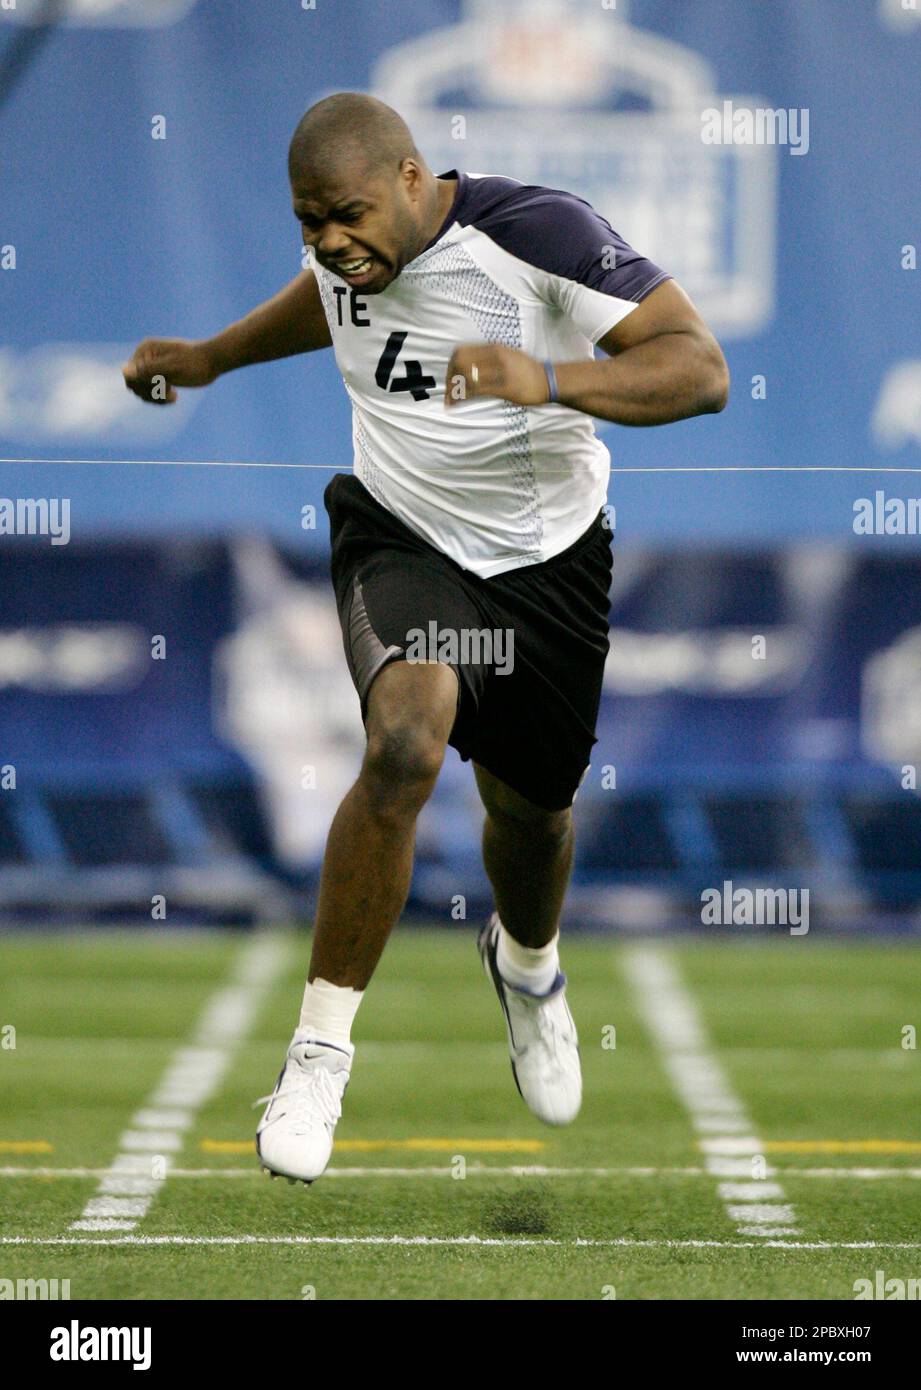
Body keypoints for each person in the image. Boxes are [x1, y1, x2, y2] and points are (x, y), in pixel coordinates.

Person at [123, 92, 729, 1185]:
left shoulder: (534, 234)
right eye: (309, 224)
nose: (330, 243)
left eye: (346, 215)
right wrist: (211, 357)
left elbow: (699, 367)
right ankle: (317, 1052)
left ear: (412, 179)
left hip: (547, 565)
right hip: (399, 536)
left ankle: (529, 964)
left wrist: (544, 377)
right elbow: (326, 302)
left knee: (532, 814)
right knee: (405, 738)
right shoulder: (351, 259)